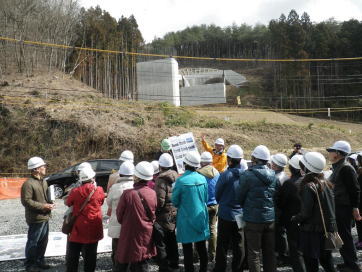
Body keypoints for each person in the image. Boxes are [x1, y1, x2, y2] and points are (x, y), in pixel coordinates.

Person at [291, 152, 337, 272]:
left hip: (312, 231)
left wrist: (295, 218)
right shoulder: (326, 182)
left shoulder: (308, 186)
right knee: (327, 261)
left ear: (307, 168)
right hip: (326, 229)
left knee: (311, 263)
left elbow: (306, 213)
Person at [237, 145, 278, 272]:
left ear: (254, 158)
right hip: (270, 219)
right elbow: (274, 196)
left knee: (254, 253)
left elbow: (240, 197)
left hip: (253, 219)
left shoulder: (247, 175)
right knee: (269, 252)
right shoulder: (273, 175)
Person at [115, 161, 157, 272]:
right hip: (146, 234)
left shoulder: (127, 194)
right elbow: (153, 213)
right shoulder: (153, 193)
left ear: (136, 176)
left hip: (128, 233)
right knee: (142, 262)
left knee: (123, 261)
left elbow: (119, 217)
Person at [326, 141, 361, 272]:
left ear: (338, 154)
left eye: (332, 150)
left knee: (345, 236)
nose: (329, 153)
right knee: (341, 235)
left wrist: (355, 208)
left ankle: (353, 265)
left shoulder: (345, 168)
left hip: (343, 207)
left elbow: (355, 190)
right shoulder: (339, 166)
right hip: (339, 206)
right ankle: (348, 262)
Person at [172, 151, 210, 272]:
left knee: (187, 249)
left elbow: (175, 201)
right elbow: (206, 198)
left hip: (185, 218)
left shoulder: (181, 181)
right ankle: (203, 269)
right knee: (202, 247)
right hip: (200, 216)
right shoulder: (203, 179)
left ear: (185, 164)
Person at [65, 167, 105, 272]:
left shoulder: (75, 191)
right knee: (91, 255)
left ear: (81, 179)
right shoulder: (99, 190)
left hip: (78, 227)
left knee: (73, 253)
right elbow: (101, 202)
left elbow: (68, 203)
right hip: (93, 226)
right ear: (93, 178)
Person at [213, 145, 245, 272]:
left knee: (222, 244)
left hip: (226, 214)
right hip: (241, 215)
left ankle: (220, 268)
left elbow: (217, 194)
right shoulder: (246, 175)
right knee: (239, 244)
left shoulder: (226, 175)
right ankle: (238, 268)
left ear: (230, 160)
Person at [21, 157, 54, 272]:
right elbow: (26, 201)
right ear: (36, 169)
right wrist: (43, 206)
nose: (45, 167)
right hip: (35, 218)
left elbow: (45, 198)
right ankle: (30, 265)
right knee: (33, 241)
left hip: (45, 216)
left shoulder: (44, 181)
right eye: (42, 166)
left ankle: (40, 261)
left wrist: (50, 203)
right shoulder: (28, 184)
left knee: (43, 241)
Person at [275, 154, 306, 272]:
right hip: (306, 219)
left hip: (292, 220)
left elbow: (282, 202)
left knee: (295, 249)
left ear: (291, 168)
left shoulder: (289, 183)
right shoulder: (306, 181)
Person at [155, 153, 180, 272]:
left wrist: (156, 211)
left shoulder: (160, 180)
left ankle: (164, 267)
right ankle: (175, 264)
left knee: (162, 242)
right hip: (174, 211)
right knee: (172, 238)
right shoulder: (177, 175)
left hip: (163, 214)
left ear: (160, 165)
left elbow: (160, 200)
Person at [107, 161, 134, 267]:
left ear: (120, 173)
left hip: (116, 223)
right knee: (131, 249)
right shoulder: (134, 186)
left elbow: (108, 203)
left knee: (117, 249)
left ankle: (117, 267)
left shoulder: (115, 187)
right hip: (131, 224)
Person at [197, 151, 220, 262]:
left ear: (201, 162)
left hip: (202, 206)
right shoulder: (217, 173)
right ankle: (212, 255)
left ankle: (197, 255)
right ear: (211, 162)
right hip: (215, 205)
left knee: (199, 230)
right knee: (212, 230)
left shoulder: (198, 174)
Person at [271, 153, 289, 265]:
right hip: (283, 210)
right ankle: (283, 254)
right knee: (282, 233)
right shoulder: (286, 176)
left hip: (277, 210)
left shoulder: (275, 178)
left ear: (275, 165)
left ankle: (281, 256)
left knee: (278, 234)